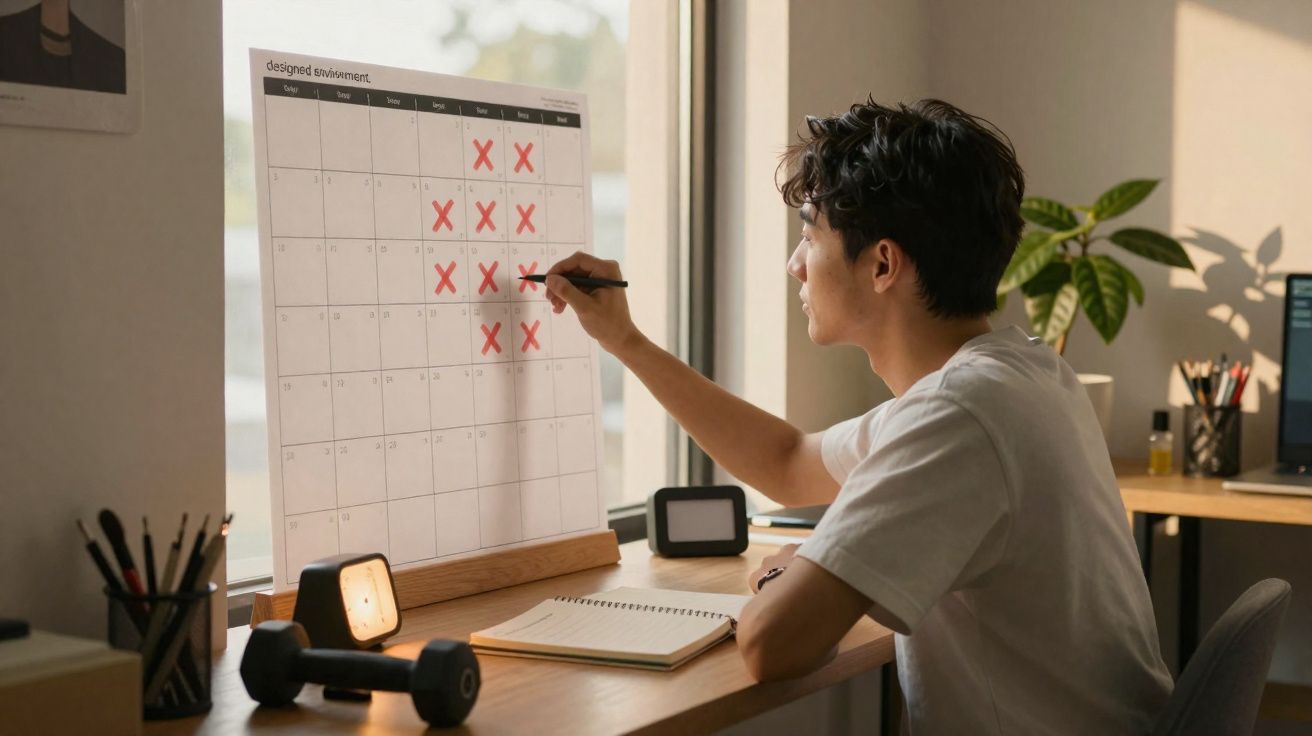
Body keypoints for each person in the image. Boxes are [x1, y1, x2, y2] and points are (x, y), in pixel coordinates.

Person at [544, 98, 1173, 733]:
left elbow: (771, 646)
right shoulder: (1023, 375)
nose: (795, 264)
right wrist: (627, 342)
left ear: (881, 264)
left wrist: (788, 573)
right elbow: (789, 462)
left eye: (808, 236)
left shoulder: (957, 415)